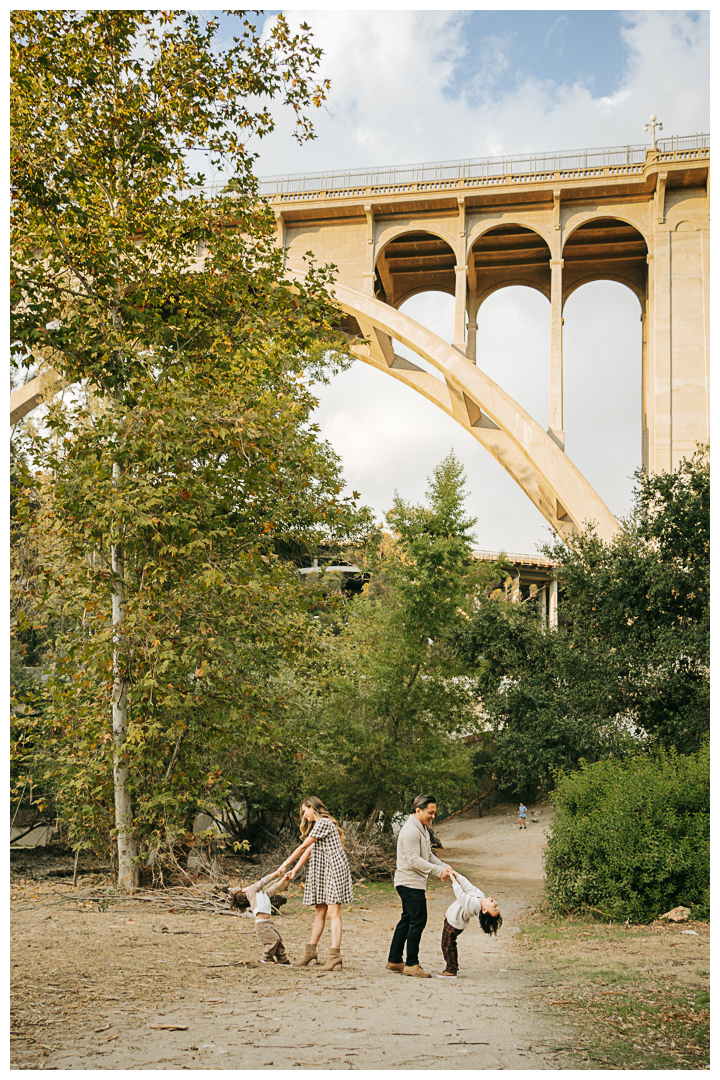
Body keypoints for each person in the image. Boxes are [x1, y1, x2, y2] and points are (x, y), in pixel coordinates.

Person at [278, 796, 353, 972]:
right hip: (323, 871)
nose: (304, 816)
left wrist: (284, 864)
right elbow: (309, 849)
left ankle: (335, 955)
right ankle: (310, 951)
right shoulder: (318, 826)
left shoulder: (324, 823)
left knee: (334, 913)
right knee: (319, 912)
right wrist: (295, 870)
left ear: (312, 807)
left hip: (334, 870)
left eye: (304, 811)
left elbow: (303, 846)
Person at [386, 793, 453, 979]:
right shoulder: (411, 831)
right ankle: (412, 964)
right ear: (418, 810)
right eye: (430, 812)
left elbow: (428, 855)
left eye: (434, 812)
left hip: (414, 882)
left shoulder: (422, 828)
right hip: (409, 882)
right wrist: (437, 872)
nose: (433, 816)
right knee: (418, 919)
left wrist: (443, 866)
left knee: (407, 919)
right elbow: (414, 860)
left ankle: (394, 960)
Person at [437, 870, 502, 979]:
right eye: (497, 905)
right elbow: (468, 886)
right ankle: (453, 965)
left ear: (484, 910)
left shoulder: (475, 905)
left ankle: (451, 969)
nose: (495, 903)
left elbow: (461, 896)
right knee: (450, 944)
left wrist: (453, 880)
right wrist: (456, 874)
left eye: (494, 907)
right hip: (452, 920)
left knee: (447, 945)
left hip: (454, 923)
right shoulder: (480, 897)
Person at [229, 870, 292, 966]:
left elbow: (274, 888)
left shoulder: (262, 895)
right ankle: (266, 958)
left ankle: (282, 959)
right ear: (244, 891)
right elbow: (262, 882)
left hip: (268, 923)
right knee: (273, 940)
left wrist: (284, 879)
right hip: (262, 925)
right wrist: (275, 873)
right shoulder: (251, 892)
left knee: (278, 939)